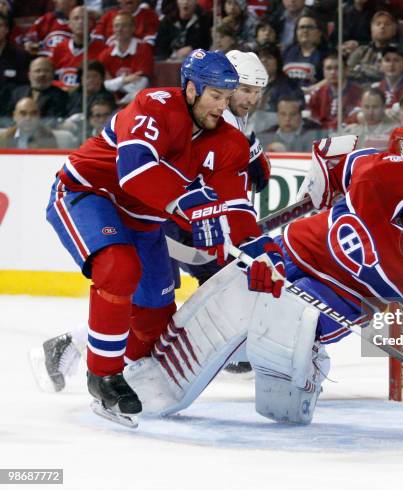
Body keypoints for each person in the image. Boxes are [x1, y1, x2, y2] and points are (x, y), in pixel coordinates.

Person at [126, 136, 403, 428]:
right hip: (290, 250)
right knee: (220, 307)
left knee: (284, 333)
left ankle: (305, 365)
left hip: (342, 300)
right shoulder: (384, 177)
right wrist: (323, 178)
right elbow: (340, 154)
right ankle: (129, 359)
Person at [40, 49, 285, 422]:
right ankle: (103, 376)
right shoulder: (153, 105)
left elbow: (235, 207)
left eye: (228, 97)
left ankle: (87, 353)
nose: (223, 106)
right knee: (117, 268)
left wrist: (262, 251)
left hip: (145, 221)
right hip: (89, 193)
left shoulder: (230, 141)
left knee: (155, 328)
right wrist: (190, 202)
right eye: (216, 96)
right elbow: (135, 172)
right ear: (190, 89)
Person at [98, 12, 154, 105]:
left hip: (137, 102)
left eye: (124, 26)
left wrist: (113, 84)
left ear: (133, 28)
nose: (120, 29)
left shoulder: (143, 49)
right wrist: (124, 80)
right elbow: (101, 85)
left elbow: (140, 86)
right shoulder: (105, 54)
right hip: (110, 101)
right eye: (116, 26)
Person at [50, 5, 106, 90]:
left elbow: (106, 81)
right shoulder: (59, 48)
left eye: (84, 19)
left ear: (91, 23)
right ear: (69, 24)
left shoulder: (102, 49)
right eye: (76, 18)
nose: (80, 22)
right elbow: (49, 77)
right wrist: (63, 87)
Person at [2, 56, 70, 122]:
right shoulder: (17, 93)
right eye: (38, 71)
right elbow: (7, 117)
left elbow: (53, 120)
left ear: (53, 75)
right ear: (29, 75)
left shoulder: (61, 96)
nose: (42, 74)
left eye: (46, 71)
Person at [307, 51, 362, 130]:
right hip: (323, 136)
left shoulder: (358, 93)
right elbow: (313, 119)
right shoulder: (317, 94)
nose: (333, 72)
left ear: (346, 70)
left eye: (337, 68)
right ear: (324, 71)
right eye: (329, 68)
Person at [346, 10, 398, 85]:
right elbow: (348, 72)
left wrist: (361, 68)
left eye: (387, 24)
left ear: (394, 30)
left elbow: (386, 75)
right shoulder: (361, 51)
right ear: (371, 29)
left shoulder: (398, 53)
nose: (382, 26)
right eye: (378, 24)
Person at [93, 0, 160, 47]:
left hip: (137, 55)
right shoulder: (109, 15)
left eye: (130, 2)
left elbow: (150, 42)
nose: (128, 1)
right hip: (110, 54)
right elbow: (97, 36)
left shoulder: (150, 16)